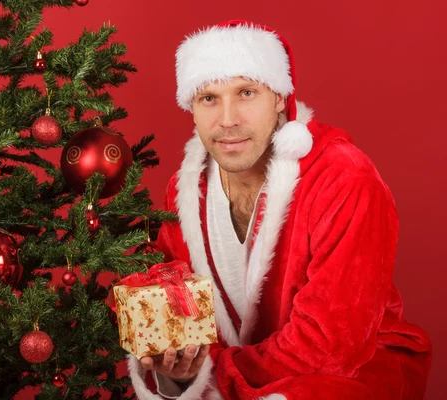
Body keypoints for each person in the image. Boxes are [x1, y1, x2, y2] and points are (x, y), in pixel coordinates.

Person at [126, 20, 432, 400]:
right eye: (209, 98)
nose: (227, 120)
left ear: (279, 97)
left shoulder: (343, 177)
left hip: (350, 374)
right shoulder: (184, 192)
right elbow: (186, 322)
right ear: (191, 107)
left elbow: (331, 346)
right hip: (243, 376)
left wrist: (215, 377)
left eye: (246, 93)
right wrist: (183, 366)